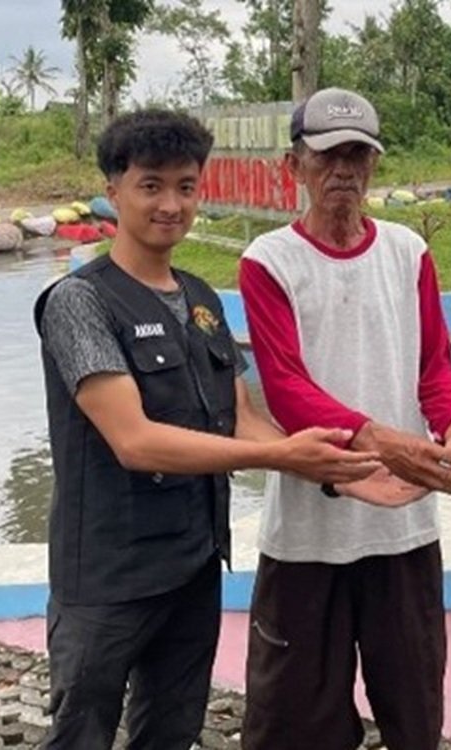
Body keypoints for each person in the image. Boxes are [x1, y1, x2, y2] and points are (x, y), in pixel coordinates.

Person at [33, 108, 379, 750]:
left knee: (171, 730)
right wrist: (283, 456)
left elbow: (241, 414)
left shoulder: (201, 299)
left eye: (186, 187)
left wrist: (336, 458)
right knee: (82, 734)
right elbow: (133, 441)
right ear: (113, 191)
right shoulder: (79, 302)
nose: (171, 204)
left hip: (192, 565)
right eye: (151, 185)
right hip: (108, 577)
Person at [238, 87, 451, 750]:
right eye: (326, 156)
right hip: (308, 535)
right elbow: (286, 389)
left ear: (374, 165)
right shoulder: (270, 261)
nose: (342, 170)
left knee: (414, 706)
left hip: (403, 529)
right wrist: (380, 445)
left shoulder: (407, 252)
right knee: (292, 720)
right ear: (296, 167)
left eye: (357, 155)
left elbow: (434, 368)